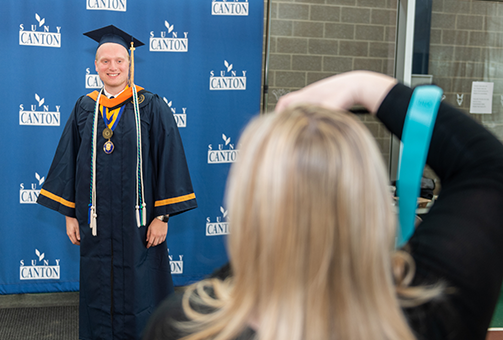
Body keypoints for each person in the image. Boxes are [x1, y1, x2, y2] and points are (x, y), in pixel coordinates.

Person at [142, 71, 503, 340]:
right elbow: (489, 168)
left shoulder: (186, 326)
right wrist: (365, 85)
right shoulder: (430, 311)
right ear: (371, 202)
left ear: (248, 203)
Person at [37, 25, 197, 340]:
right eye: (105, 61)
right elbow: (68, 160)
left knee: (141, 288)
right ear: (95, 65)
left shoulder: (150, 105)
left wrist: (162, 216)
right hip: (95, 222)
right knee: (98, 287)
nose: (113, 67)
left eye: (120, 61)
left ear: (129, 64)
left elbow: (169, 158)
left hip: (137, 224)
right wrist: (70, 212)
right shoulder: (85, 107)